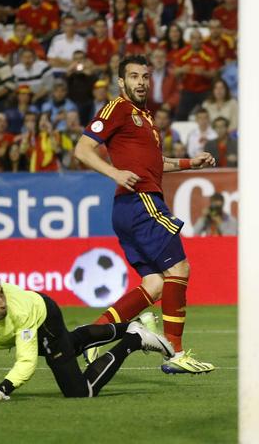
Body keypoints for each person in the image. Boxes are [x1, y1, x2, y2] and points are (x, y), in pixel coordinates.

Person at [73, 55, 215, 375]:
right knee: (179, 268)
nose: (140, 82)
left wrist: (192, 163)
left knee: (153, 284)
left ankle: (91, 338)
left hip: (130, 207)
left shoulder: (145, 118)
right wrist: (114, 173)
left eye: (145, 77)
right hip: (141, 202)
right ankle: (175, 353)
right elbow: (82, 149)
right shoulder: (117, 108)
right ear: (121, 82)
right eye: (134, 76)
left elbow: (156, 163)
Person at [0, 269, 173, 406]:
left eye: (1, 293)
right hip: (30, 325)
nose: (1, 301)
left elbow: (26, 362)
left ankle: (133, 339)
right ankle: (132, 325)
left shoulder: (19, 310)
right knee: (70, 345)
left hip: (42, 315)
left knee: (79, 392)